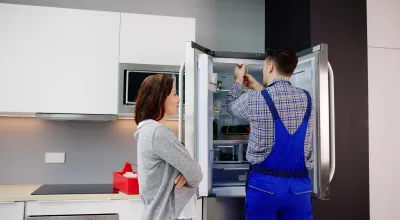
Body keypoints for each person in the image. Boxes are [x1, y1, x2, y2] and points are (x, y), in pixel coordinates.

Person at [226, 48, 314, 220]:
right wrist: (257, 86)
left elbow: (231, 105)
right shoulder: (307, 98)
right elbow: (282, 106)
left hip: (264, 187)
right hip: (299, 189)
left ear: (271, 66)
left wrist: (238, 79)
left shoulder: (255, 98)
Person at [133, 74, 203, 220]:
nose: (178, 99)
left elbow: (190, 172)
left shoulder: (146, 130)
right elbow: (196, 173)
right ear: (160, 98)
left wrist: (186, 173)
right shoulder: (158, 132)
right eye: (174, 94)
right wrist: (187, 173)